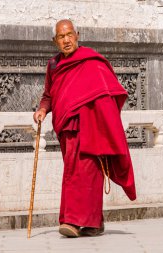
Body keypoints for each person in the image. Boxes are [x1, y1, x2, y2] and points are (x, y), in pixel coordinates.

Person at [33, 19, 136, 238]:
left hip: (91, 127)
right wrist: (43, 110)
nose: (66, 40)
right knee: (74, 172)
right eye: (61, 37)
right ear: (55, 41)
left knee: (88, 173)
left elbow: (107, 93)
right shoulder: (53, 65)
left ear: (77, 35)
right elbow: (49, 95)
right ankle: (94, 223)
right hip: (66, 128)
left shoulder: (92, 61)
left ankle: (72, 221)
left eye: (69, 35)